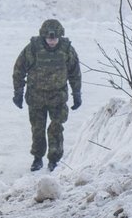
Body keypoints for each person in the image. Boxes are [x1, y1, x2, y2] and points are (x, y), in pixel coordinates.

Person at [11, 18, 82, 172]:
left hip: (58, 97)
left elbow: (75, 73)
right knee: (37, 128)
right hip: (36, 97)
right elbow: (19, 70)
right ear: (43, 36)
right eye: (49, 38)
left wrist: (77, 93)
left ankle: (54, 160)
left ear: (60, 37)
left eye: (55, 38)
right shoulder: (33, 49)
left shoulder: (67, 49)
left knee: (56, 127)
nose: (52, 41)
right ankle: (37, 158)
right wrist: (18, 91)